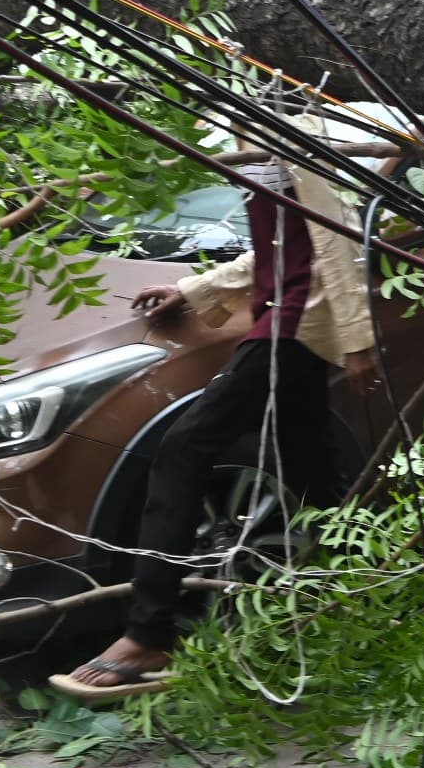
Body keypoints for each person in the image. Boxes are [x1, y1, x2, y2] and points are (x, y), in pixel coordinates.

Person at [53, 159, 379, 698]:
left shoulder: (287, 127)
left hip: (298, 322)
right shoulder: (249, 136)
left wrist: (358, 338)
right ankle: (364, 602)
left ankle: (148, 634)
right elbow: (280, 248)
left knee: (183, 449)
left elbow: (335, 239)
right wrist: (198, 287)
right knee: (312, 474)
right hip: (289, 312)